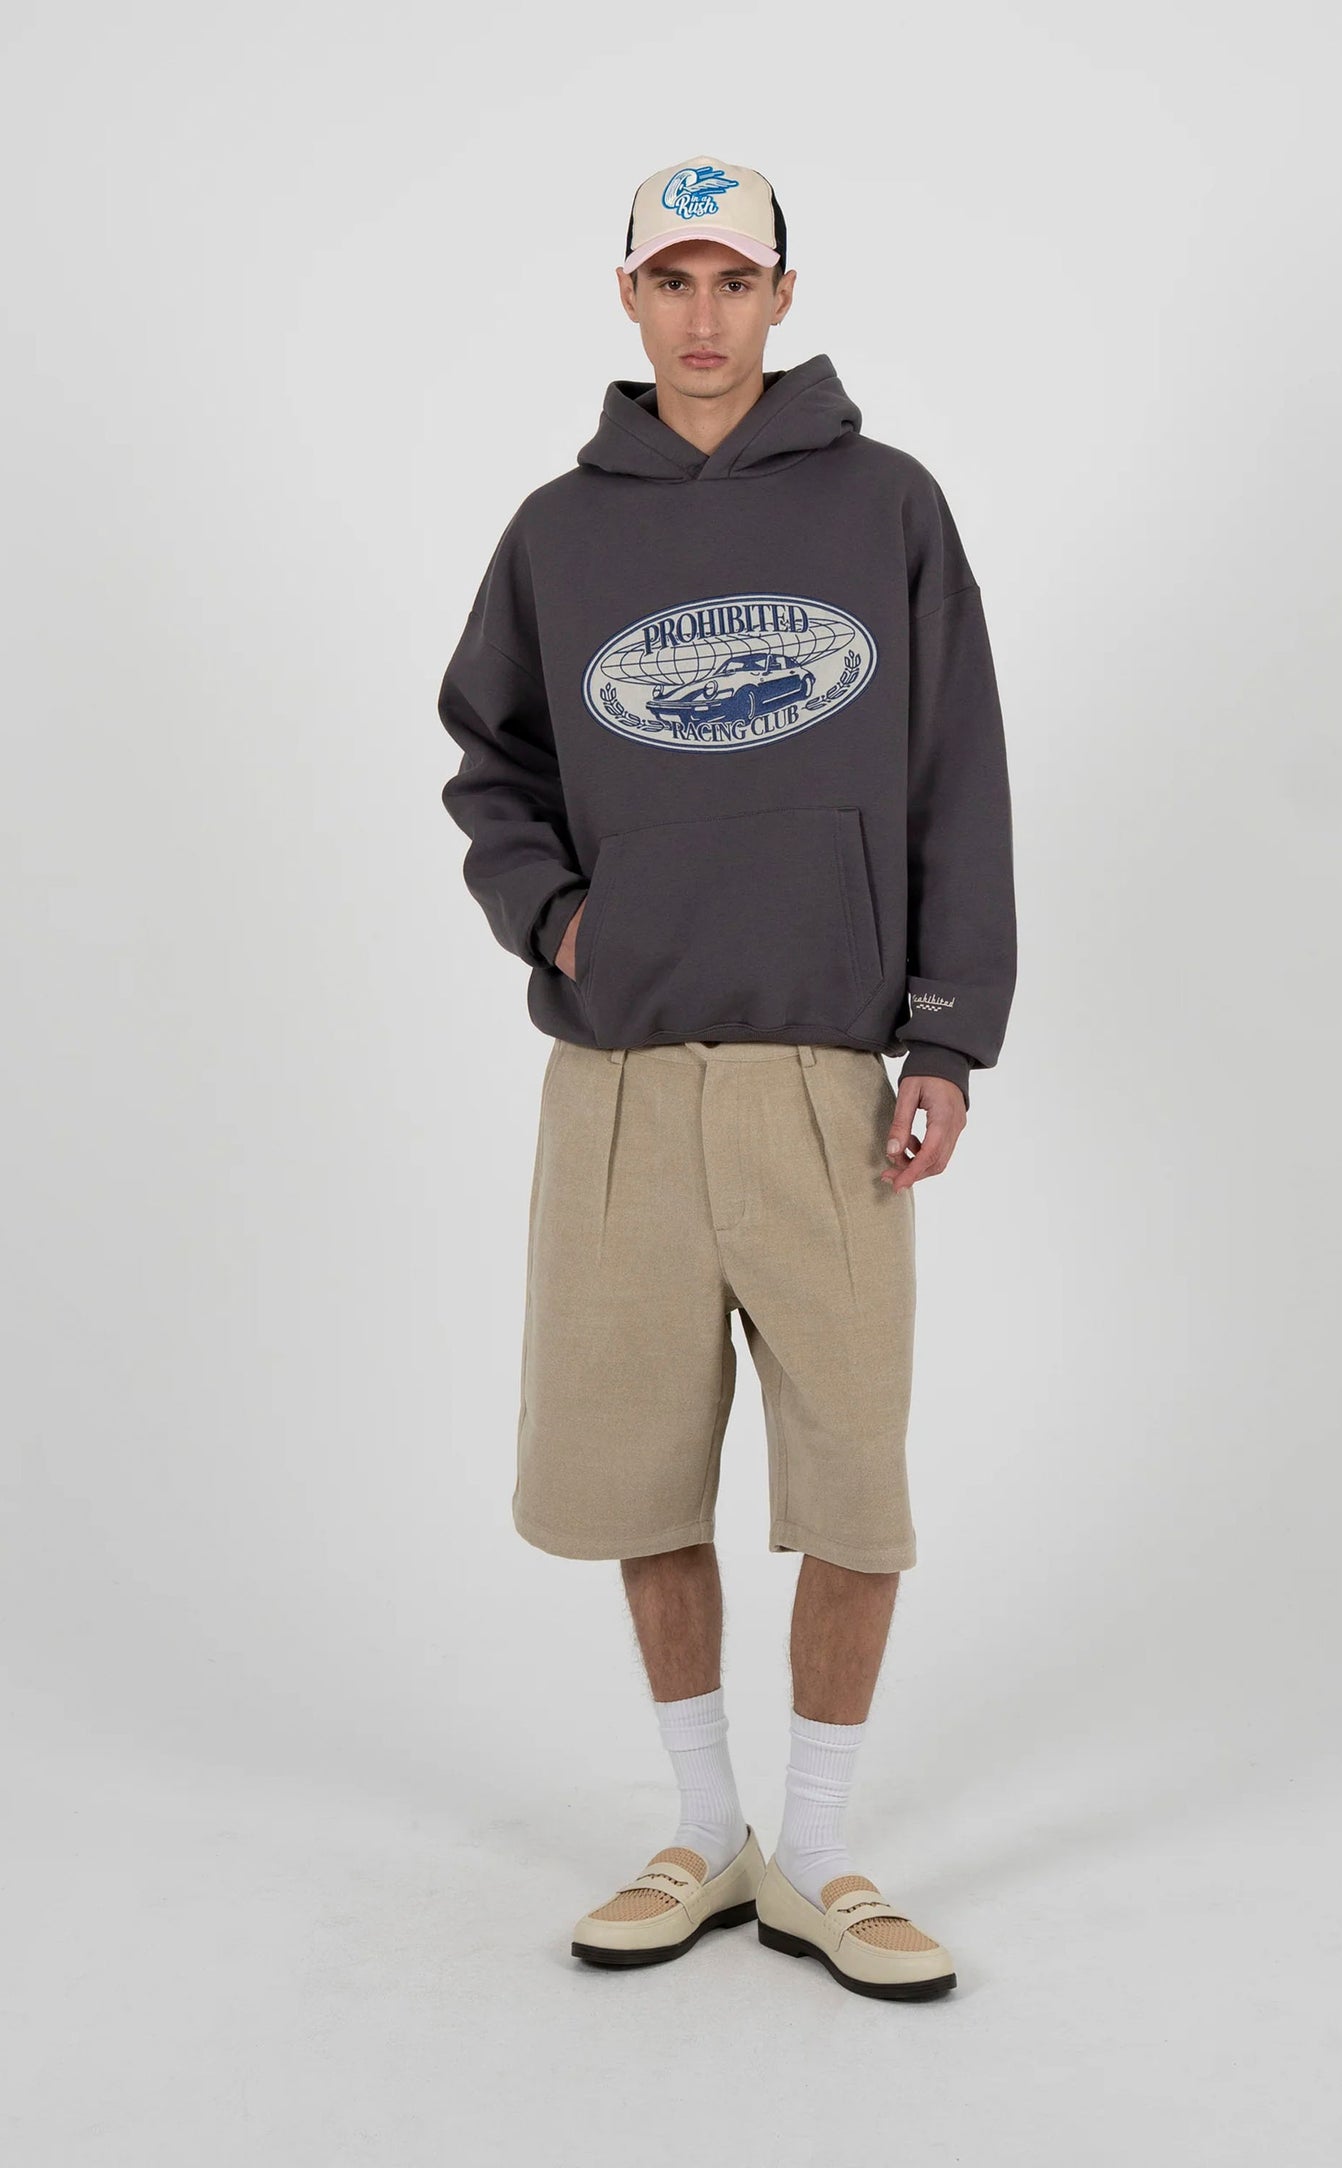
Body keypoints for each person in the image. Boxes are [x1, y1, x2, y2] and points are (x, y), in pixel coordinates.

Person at [437, 157, 1016, 2002]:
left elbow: (956, 770)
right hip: (619, 1080)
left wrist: (948, 1031)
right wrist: (558, 923)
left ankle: (819, 1858)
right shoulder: (556, 532)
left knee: (852, 1484)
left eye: (733, 281)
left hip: (825, 1077)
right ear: (627, 296)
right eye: (670, 281)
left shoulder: (885, 503)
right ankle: (704, 1833)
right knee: (639, 1477)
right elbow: (490, 765)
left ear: (782, 296)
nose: (703, 317)